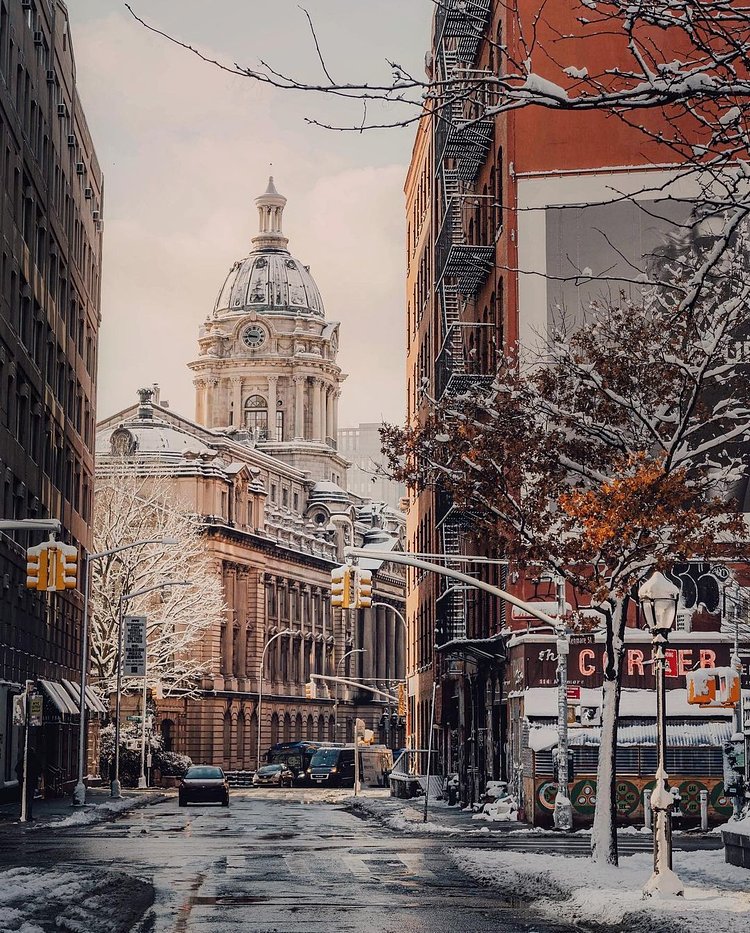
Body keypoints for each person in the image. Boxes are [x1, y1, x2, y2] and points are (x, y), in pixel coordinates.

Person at [15, 747, 42, 820]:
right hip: (32, 782)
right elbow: (40, 769)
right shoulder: (35, 760)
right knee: (30, 799)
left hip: (24, 782)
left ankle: (22, 814)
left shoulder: (23, 760)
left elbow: (16, 768)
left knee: (23, 798)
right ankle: (29, 815)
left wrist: (22, 776)